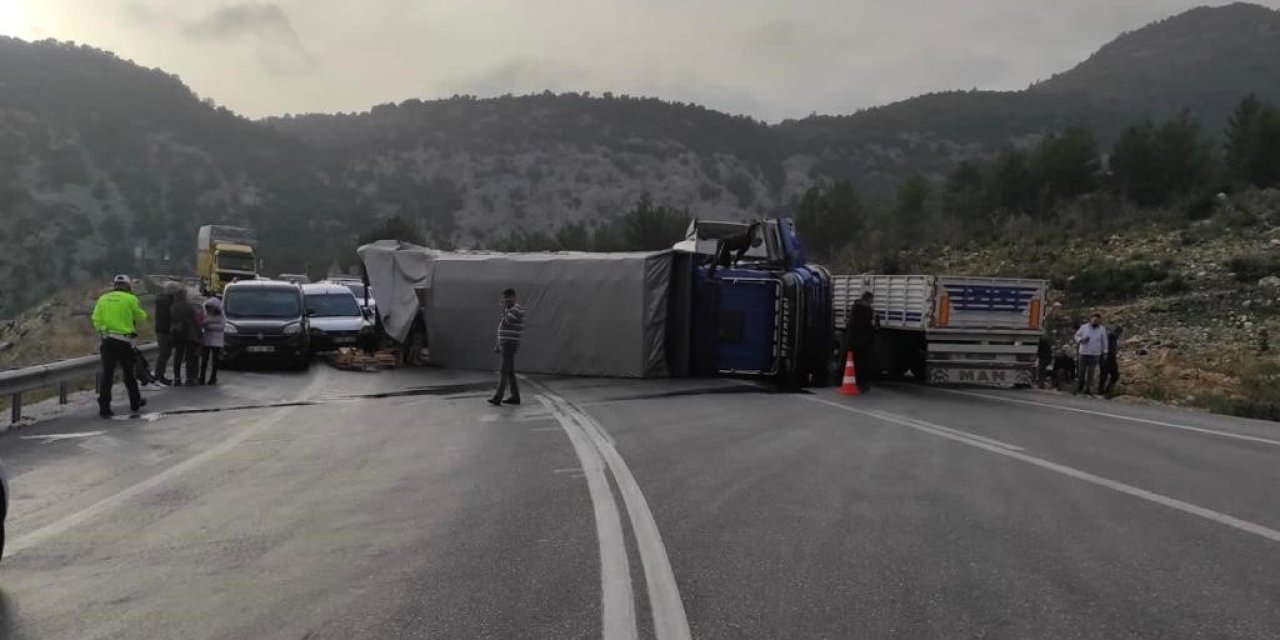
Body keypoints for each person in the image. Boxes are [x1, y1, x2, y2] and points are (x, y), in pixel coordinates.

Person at [91, 275, 148, 418]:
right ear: (128, 286)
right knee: (129, 373)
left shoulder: (103, 298)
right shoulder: (130, 299)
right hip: (124, 341)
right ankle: (135, 402)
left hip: (108, 340)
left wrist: (102, 331)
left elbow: (95, 318)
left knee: (107, 375)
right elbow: (141, 317)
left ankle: (104, 407)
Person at [488, 288, 525, 406]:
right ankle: (515, 396)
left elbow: (507, 322)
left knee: (503, 371)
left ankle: (498, 397)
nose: (507, 300)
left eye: (509, 298)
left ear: (514, 298)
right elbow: (504, 328)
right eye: (505, 298)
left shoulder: (515, 310)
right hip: (506, 343)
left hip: (509, 344)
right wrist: (499, 344)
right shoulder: (510, 310)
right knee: (510, 372)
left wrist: (504, 309)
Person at [841, 291, 879, 391]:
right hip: (858, 342)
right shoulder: (859, 310)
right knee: (859, 363)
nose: (871, 304)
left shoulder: (864, 310)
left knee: (861, 363)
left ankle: (860, 382)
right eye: (870, 302)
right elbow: (862, 325)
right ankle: (859, 383)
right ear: (866, 300)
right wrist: (871, 325)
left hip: (861, 341)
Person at [169, 288, 203, 385]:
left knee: (178, 356)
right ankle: (189, 378)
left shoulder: (173, 306)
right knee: (189, 356)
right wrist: (199, 333)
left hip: (177, 333)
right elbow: (194, 321)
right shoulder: (189, 306)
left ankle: (177, 378)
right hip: (189, 334)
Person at [1074, 313, 1108, 396]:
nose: (1095, 322)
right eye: (1094, 320)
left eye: (1097, 321)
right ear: (1091, 320)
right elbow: (1076, 335)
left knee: (1091, 373)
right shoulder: (1084, 327)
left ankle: (1088, 389)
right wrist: (1080, 340)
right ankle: (1079, 387)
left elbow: (1104, 341)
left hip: (1095, 354)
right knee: (1081, 372)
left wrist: (1105, 352)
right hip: (1084, 353)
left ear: (1100, 321)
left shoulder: (1102, 329)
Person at [152, 282, 178, 385]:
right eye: (172, 289)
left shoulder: (164, 300)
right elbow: (167, 316)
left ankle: (159, 374)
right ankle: (159, 375)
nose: (174, 291)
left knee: (165, 353)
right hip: (164, 330)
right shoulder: (166, 301)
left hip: (163, 329)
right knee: (164, 353)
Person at [199, 295, 225, 385]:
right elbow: (202, 323)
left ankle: (213, 378)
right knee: (204, 360)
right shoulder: (206, 313)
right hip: (207, 339)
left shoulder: (221, 314)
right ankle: (201, 378)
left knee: (215, 360)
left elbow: (222, 327)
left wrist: (209, 326)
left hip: (216, 340)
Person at [1098, 325, 1124, 396]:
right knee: (1105, 375)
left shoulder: (1113, 337)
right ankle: (1101, 391)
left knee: (1114, 375)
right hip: (1106, 358)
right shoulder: (1112, 336)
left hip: (1111, 358)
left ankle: (1106, 390)